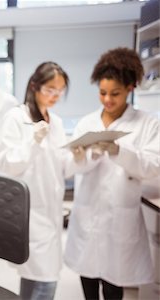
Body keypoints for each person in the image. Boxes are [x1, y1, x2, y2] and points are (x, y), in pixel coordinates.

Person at [64, 47, 159, 300]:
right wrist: (81, 156)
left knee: (114, 284)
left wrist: (120, 151)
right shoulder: (87, 122)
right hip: (88, 211)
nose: (107, 99)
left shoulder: (147, 123)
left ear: (130, 88)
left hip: (120, 215)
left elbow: (153, 166)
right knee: (88, 275)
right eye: (102, 93)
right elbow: (71, 168)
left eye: (114, 93)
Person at [0, 62, 80, 300]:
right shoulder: (16, 117)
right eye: (50, 90)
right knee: (46, 280)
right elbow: (8, 163)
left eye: (60, 91)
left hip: (52, 210)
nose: (55, 96)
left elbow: (62, 168)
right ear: (35, 86)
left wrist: (81, 156)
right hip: (30, 212)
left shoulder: (56, 121)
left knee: (35, 277)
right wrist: (32, 140)